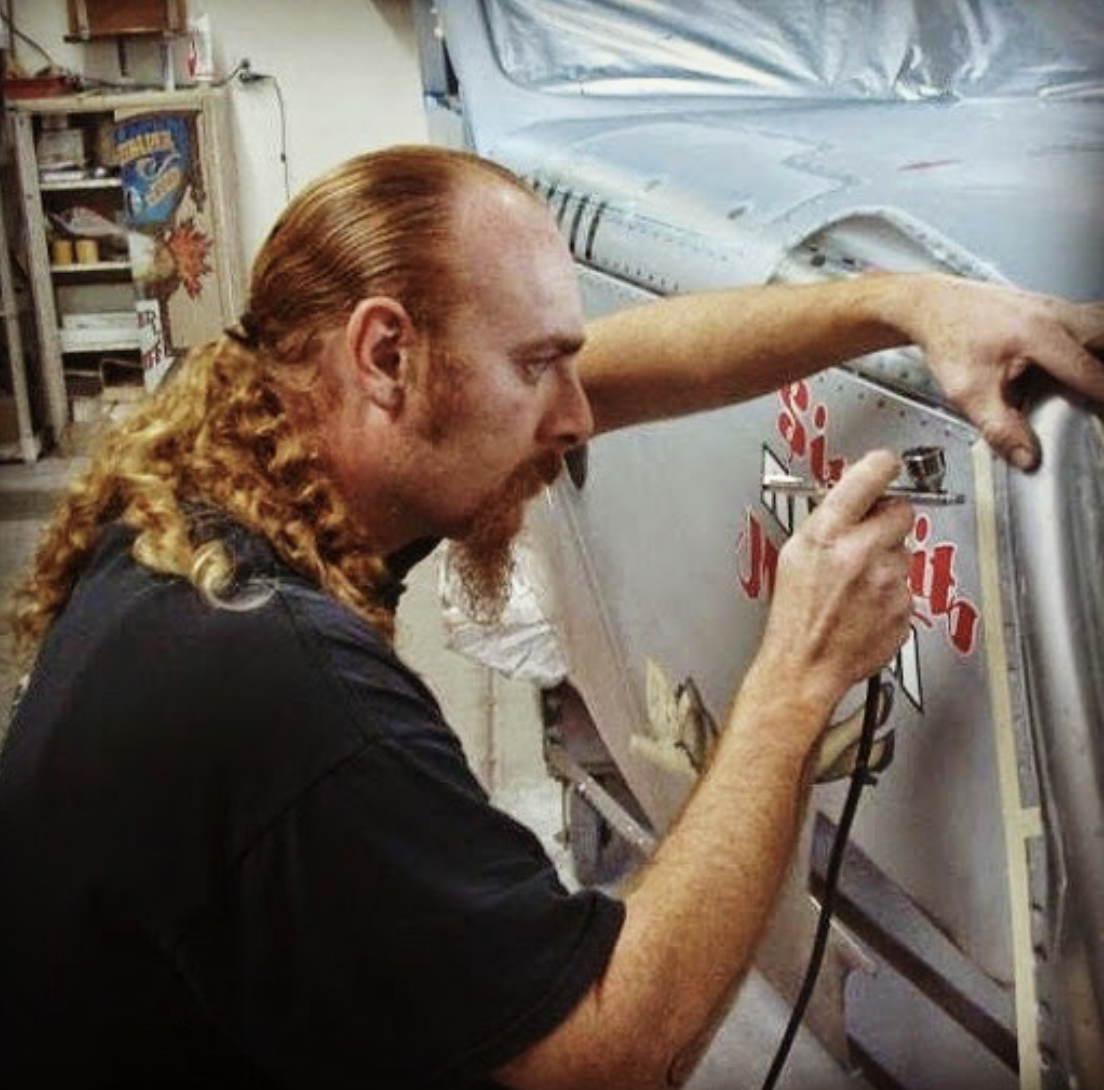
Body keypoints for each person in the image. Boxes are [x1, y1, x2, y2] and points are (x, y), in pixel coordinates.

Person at [1, 146, 1101, 1090]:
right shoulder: (290, 690)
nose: (575, 421)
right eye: (537, 367)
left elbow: (620, 369)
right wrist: (799, 671)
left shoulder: (224, 463)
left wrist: (897, 303)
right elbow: (605, 1055)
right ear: (388, 354)